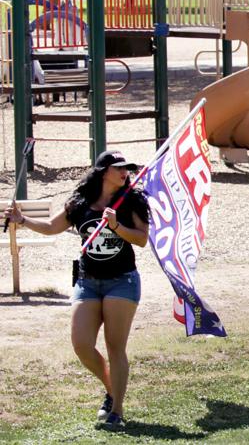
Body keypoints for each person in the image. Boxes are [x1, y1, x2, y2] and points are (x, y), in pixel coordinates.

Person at [4, 151, 151, 429]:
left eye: (127, 169)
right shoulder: (80, 202)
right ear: (103, 171)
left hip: (122, 280)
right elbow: (51, 227)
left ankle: (117, 412)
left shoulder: (131, 200)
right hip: (88, 281)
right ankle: (111, 389)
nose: (125, 172)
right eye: (119, 168)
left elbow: (142, 239)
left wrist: (116, 226)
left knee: (115, 347)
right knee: (82, 345)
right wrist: (22, 220)